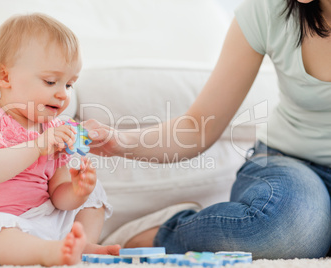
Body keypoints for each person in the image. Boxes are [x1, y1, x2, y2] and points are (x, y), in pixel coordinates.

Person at [84, 0, 331, 259]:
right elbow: (198, 126)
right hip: (289, 166)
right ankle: (165, 232)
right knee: (289, 228)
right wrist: (122, 141)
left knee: (315, 232)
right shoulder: (269, 11)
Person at [0, 13, 120, 266]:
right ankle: (48, 253)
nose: (62, 94)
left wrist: (78, 191)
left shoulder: (57, 131)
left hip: (39, 222)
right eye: (50, 81)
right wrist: (38, 146)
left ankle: (78, 244)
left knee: (95, 195)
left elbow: (58, 195)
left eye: (69, 84)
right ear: (4, 77)